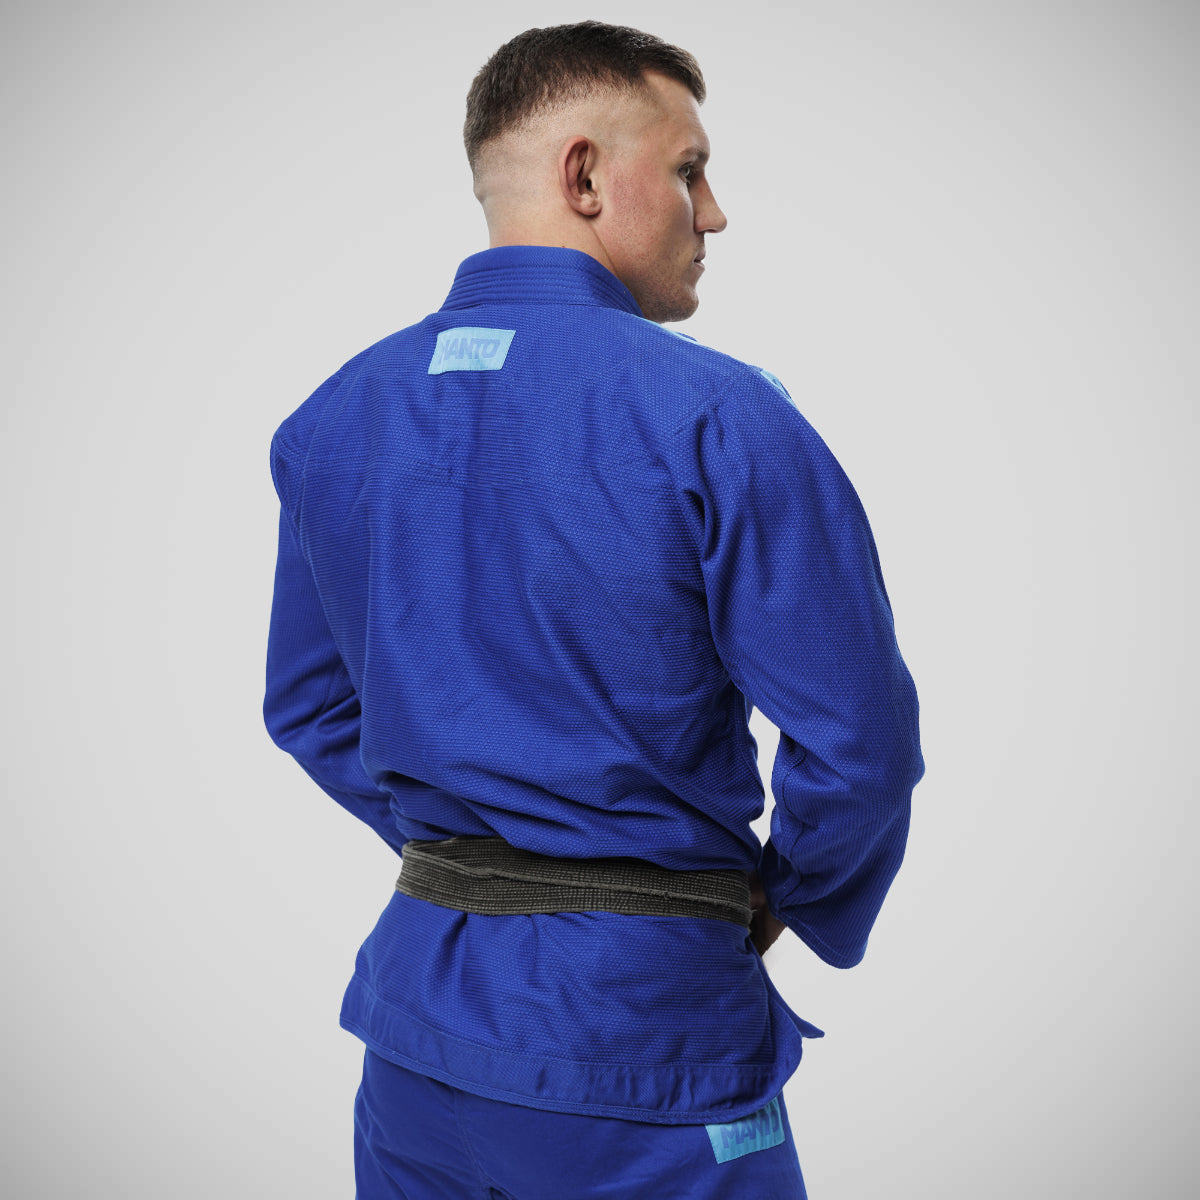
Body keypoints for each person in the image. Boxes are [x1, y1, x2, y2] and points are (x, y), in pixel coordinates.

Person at [264, 20, 922, 1199]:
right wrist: (780, 896)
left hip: (417, 1042)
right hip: (640, 1041)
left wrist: (481, 843)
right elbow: (860, 745)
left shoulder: (333, 416)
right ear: (583, 175)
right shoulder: (718, 416)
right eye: (688, 170)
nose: (713, 213)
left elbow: (309, 707)